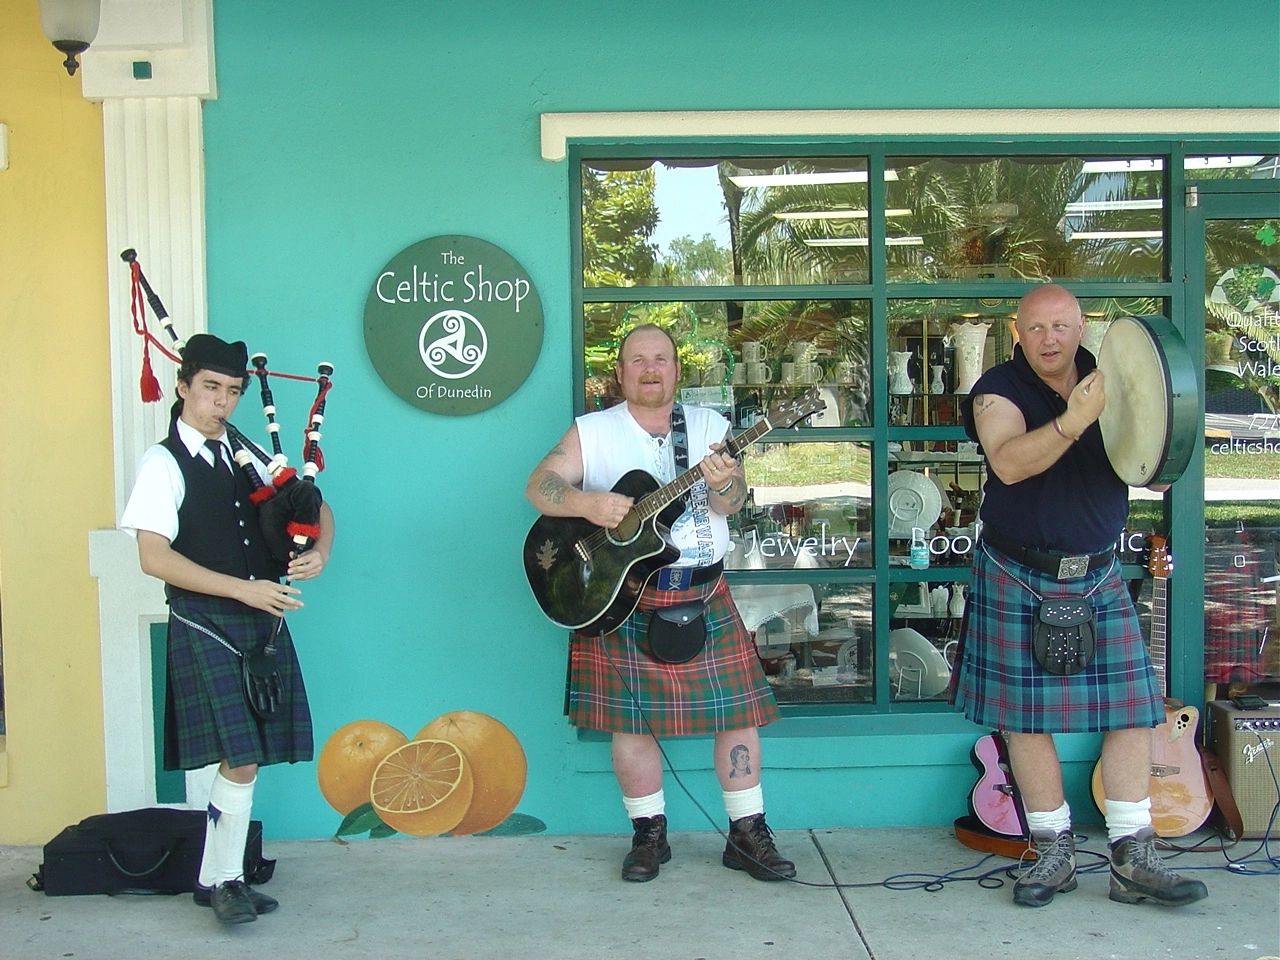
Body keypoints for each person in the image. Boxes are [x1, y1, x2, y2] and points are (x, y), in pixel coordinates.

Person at [953, 285, 1207, 908]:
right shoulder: (997, 388)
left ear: (1081, 327)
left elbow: (1155, 454)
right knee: (1025, 719)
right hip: (1017, 570)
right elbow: (1008, 462)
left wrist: (1150, 447)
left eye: (1062, 326)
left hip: (1097, 572)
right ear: (1018, 331)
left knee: (1134, 712)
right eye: (1037, 327)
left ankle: (1132, 855)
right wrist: (1075, 420)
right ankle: (1052, 851)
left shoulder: (1115, 376)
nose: (1050, 339)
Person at [525, 323, 794, 884]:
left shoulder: (709, 427)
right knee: (632, 724)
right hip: (624, 595)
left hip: (703, 588)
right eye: (638, 360)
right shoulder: (593, 431)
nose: (650, 369)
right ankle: (649, 835)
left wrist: (723, 483)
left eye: (661, 359)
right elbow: (539, 486)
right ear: (620, 372)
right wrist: (585, 504)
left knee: (739, 717)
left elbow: (731, 502)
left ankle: (747, 833)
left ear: (676, 370)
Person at [120, 334, 335, 925]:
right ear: (183, 387)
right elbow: (153, 557)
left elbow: (315, 506)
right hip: (207, 620)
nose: (222, 401)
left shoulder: (248, 455)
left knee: (248, 758)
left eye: (234, 391)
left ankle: (217, 879)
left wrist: (320, 552)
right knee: (241, 757)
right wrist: (243, 589)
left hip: (260, 621)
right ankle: (225, 881)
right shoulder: (163, 461)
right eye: (210, 387)